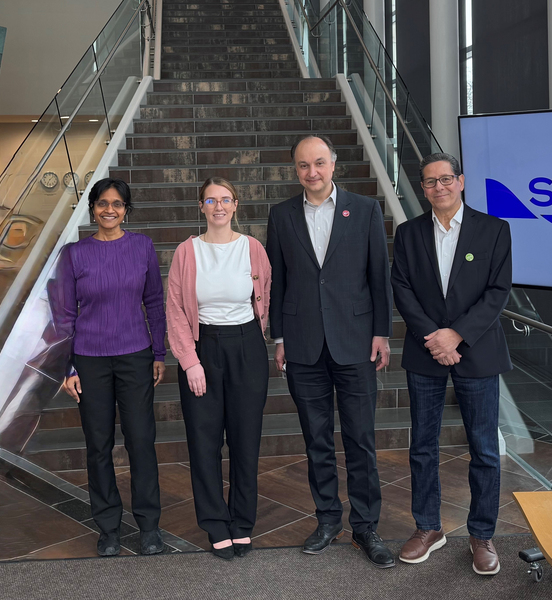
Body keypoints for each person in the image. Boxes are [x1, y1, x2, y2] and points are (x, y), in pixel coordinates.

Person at [266, 134, 395, 568]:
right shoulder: (281, 215)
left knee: (361, 439)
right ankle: (326, 519)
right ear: (295, 170)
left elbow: (379, 276)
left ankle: (366, 525)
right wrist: (279, 338)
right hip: (303, 345)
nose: (312, 172)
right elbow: (278, 281)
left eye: (319, 162)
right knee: (316, 440)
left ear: (334, 164)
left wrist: (382, 332)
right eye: (303, 165)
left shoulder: (364, 209)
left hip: (356, 342)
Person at [390, 153, 512, 575]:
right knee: (422, 446)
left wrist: (456, 335)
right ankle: (428, 528)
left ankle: (482, 535)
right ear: (422, 189)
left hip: (477, 350)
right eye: (429, 182)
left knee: (483, 449)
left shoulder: (495, 229)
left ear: (460, 181)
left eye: (445, 179)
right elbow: (401, 289)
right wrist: (436, 339)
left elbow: (497, 292)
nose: (438, 187)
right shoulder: (407, 234)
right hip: (425, 353)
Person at [54, 177, 166, 557]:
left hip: (135, 354)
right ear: (93, 209)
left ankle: (149, 527)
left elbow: (154, 302)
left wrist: (159, 353)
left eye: (117, 204)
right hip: (89, 359)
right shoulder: (74, 254)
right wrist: (66, 367)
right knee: (98, 445)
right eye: (103, 203)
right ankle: (108, 528)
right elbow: (65, 314)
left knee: (140, 441)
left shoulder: (142, 247)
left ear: (126, 210)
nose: (109, 210)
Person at [166, 176, 271, 560]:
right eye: (211, 201)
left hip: (247, 348)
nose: (219, 207)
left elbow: (266, 295)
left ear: (236, 205)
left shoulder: (253, 249)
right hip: (202, 347)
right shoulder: (186, 251)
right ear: (202, 207)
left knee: (246, 440)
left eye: (226, 200)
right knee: (204, 441)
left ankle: (242, 522)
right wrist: (190, 361)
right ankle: (214, 522)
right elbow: (174, 309)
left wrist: (257, 341)